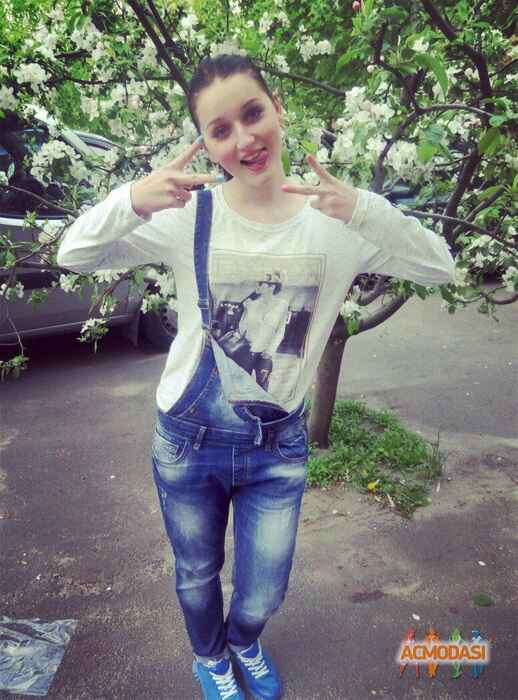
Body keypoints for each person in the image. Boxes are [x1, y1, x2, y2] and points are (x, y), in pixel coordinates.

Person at [57, 53, 456, 700]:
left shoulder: (338, 221)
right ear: (207, 143)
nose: (244, 139)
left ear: (278, 110)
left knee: (266, 587)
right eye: (220, 130)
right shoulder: (190, 216)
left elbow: (443, 266)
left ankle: (244, 640)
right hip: (189, 441)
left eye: (253, 113)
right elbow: (72, 252)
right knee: (196, 573)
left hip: (278, 445)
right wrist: (130, 200)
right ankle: (211, 659)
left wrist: (366, 210)